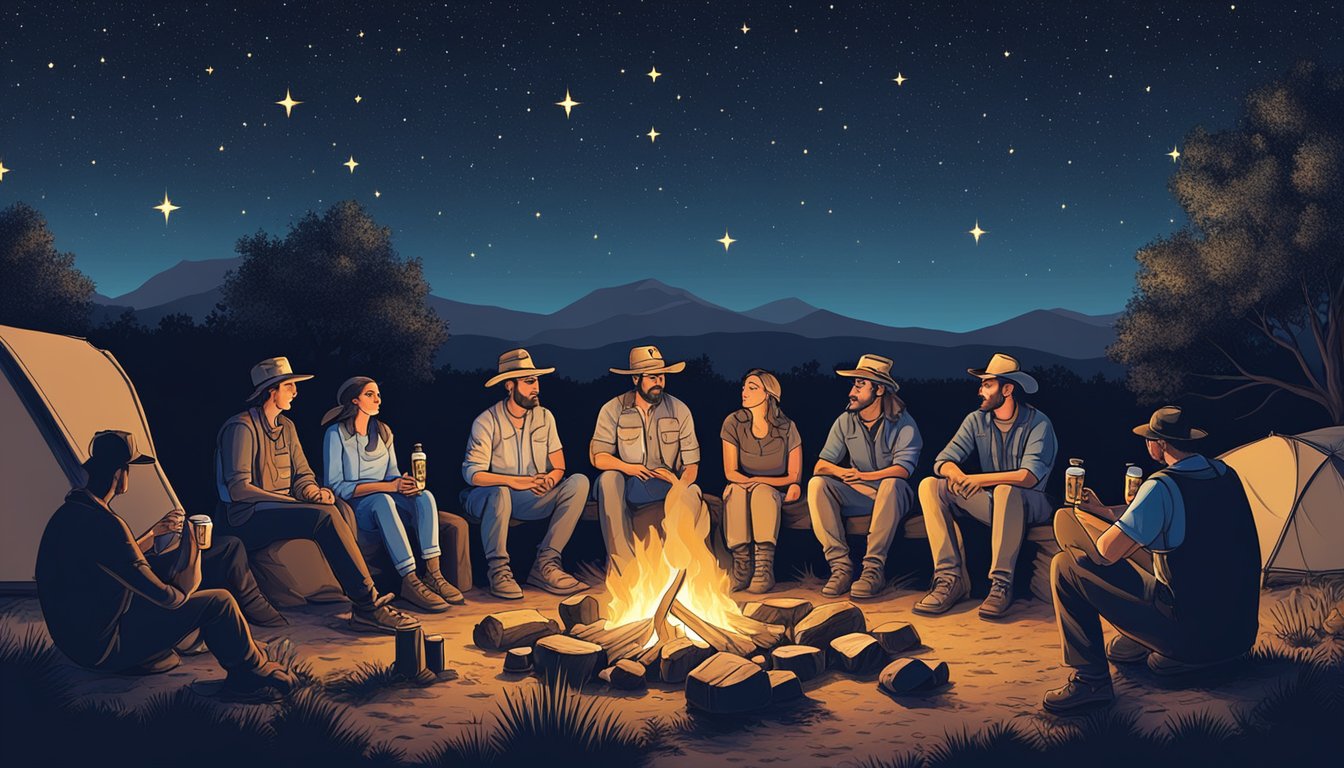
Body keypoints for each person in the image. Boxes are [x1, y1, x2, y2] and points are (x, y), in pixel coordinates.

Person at [36, 430, 294, 702]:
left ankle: (224, 641)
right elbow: (172, 598)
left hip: (77, 638)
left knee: (170, 571)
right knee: (220, 601)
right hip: (103, 647)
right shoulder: (108, 524)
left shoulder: (70, 513)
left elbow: (113, 560)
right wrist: (192, 545)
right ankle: (250, 676)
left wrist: (153, 535)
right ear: (120, 473)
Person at [1043, 407, 1261, 714]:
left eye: (1150, 439)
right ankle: (1159, 645)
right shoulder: (1225, 474)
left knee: (1065, 565)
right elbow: (1193, 545)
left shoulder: (1161, 486)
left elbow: (1107, 553)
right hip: (1237, 634)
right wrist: (1109, 514)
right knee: (1162, 563)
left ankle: (1090, 682)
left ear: (1159, 444)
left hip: (1194, 636)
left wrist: (1087, 522)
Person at [215, 357, 417, 634]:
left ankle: (360, 592)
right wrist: (293, 502)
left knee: (340, 509)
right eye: (289, 386)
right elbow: (239, 490)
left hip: (280, 509)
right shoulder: (241, 428)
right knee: (322, 518)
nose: (295, 392)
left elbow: (303, 474)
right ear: (270, 391)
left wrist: (313, 491)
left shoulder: (286, 427)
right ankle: (367, 606)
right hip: (246, 517)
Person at [915, 353, 1057, 619]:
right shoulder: (976, 420)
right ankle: (949, 578)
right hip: (995, 503)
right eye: (981, 385)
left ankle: (1001, 584)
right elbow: (943, 460)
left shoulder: (1039, 423)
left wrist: (977, 480)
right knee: (930, 485)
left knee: (1005, 490)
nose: (980, 391)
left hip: (1033, 504)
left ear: (1007, 389)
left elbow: (1029, 477)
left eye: (987, 385)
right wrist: (956, 474)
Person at [323, 376, 465, 613]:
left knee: (424, 496)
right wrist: (389, 487)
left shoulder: (384, 432)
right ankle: (410, 580)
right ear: (355, 400)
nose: (378, 399)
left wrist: (404, 483)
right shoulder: (335, 434)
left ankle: (433, 574)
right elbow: (337, 485)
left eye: (378, 393)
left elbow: (392, 474)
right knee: (383, 500)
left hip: (386, 495)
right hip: (357, 507)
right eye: (370, 394)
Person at [462, 349, 589, 599]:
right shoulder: (486, 421)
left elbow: (559, 466)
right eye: (529, 381)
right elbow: (473, 475)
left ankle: (547, 563)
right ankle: (498, 571)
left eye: (537, 380)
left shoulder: (545, 416)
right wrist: (515, 482)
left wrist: (550, 480)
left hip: (531, 497)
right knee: (499, 493)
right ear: (510, 386)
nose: (536, 388)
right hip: (489, 498)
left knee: (579, 482)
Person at [808, 354, 923, 599]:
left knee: (892, 484)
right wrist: (844, 473)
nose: (852, 391)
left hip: (894, 497)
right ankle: (840, 567)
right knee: (818, 484)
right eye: (854, 384)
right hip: (860, 494)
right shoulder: (844, 421)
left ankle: (873, 569)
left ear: (879, 389)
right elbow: (821, 465)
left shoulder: (904, 422)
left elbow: (903, 470)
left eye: (860, 385)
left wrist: (865, 476)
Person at [591, 345, 703, 568]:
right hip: (630, 483)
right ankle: (622, 564)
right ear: (635, 379)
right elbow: (598, 457)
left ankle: (685, 568)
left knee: (694, 492)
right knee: (608, 479)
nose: (659, 382)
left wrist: (677, 483)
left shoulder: (680, 410)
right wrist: (629, 468)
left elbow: (692, 465)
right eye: (652, 377)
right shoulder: (613, 409)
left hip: (667, 484)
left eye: (662, 377)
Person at [721, 368, 803, 593]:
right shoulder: (733, 423)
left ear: (768, 394)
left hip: (773, 489)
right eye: (744, 387)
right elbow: (731, 471)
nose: (744, 392)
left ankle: (763, 568)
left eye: (752, 387)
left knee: (762, 493)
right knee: (735, 492)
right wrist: (751, 482)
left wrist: (759, 481)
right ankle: (742, 566)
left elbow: (793, 476)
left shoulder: (787, 427)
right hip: (742, 485)